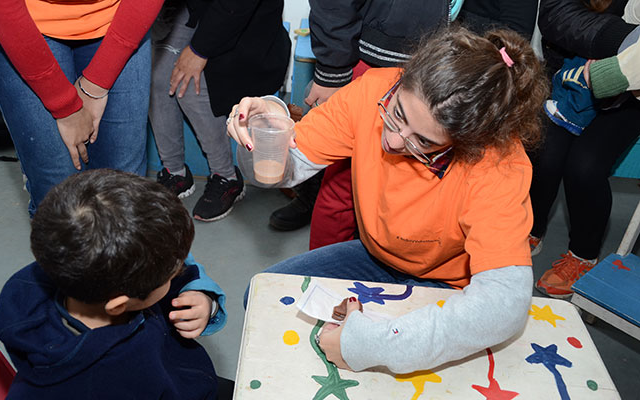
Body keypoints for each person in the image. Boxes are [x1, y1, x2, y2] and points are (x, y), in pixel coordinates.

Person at [228, 26, 549, 374]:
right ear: (403, 79)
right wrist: (265, 127)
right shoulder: (371, 90)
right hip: (375, 256)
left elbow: (505, 304)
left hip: (451, 283)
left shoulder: (499, 163)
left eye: (424, 142)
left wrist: (367, 344)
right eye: (397, 113)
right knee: (261, 298)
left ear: (467, 141)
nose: (395, 141)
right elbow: (284, 172)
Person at [0, 169, 229, 400]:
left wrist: (203, 297)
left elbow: (169, 260)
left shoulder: (80, 265)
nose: (179, 272)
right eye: (171, 275)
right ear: (120, 305)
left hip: (186, 387)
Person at [269, 0, 459, 239]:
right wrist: (332, 72)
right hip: (379, 56)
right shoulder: (370, 86)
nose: (396, 141)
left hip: (453, 67)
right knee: (342, 179)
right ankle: (312, 197)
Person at [0, 0, 163, 216]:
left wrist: (96, 85)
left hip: (118, 11)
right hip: (16, 16)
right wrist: (65, 106)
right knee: (59, 194)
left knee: (123, 190)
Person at [529, 0, 640, 299]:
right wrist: (630, 39)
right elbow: (555, 16)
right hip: (574, 71)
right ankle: (531, 229)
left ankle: (582, 255)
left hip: (632, 90)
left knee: (585, 166)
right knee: (545, 150)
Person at [150, 0, 290, 221]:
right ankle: (174, 173)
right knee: (158, 80)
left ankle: (226, 176)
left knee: (189, 86)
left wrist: (199, 50)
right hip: (187, 8)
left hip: (239, 16)